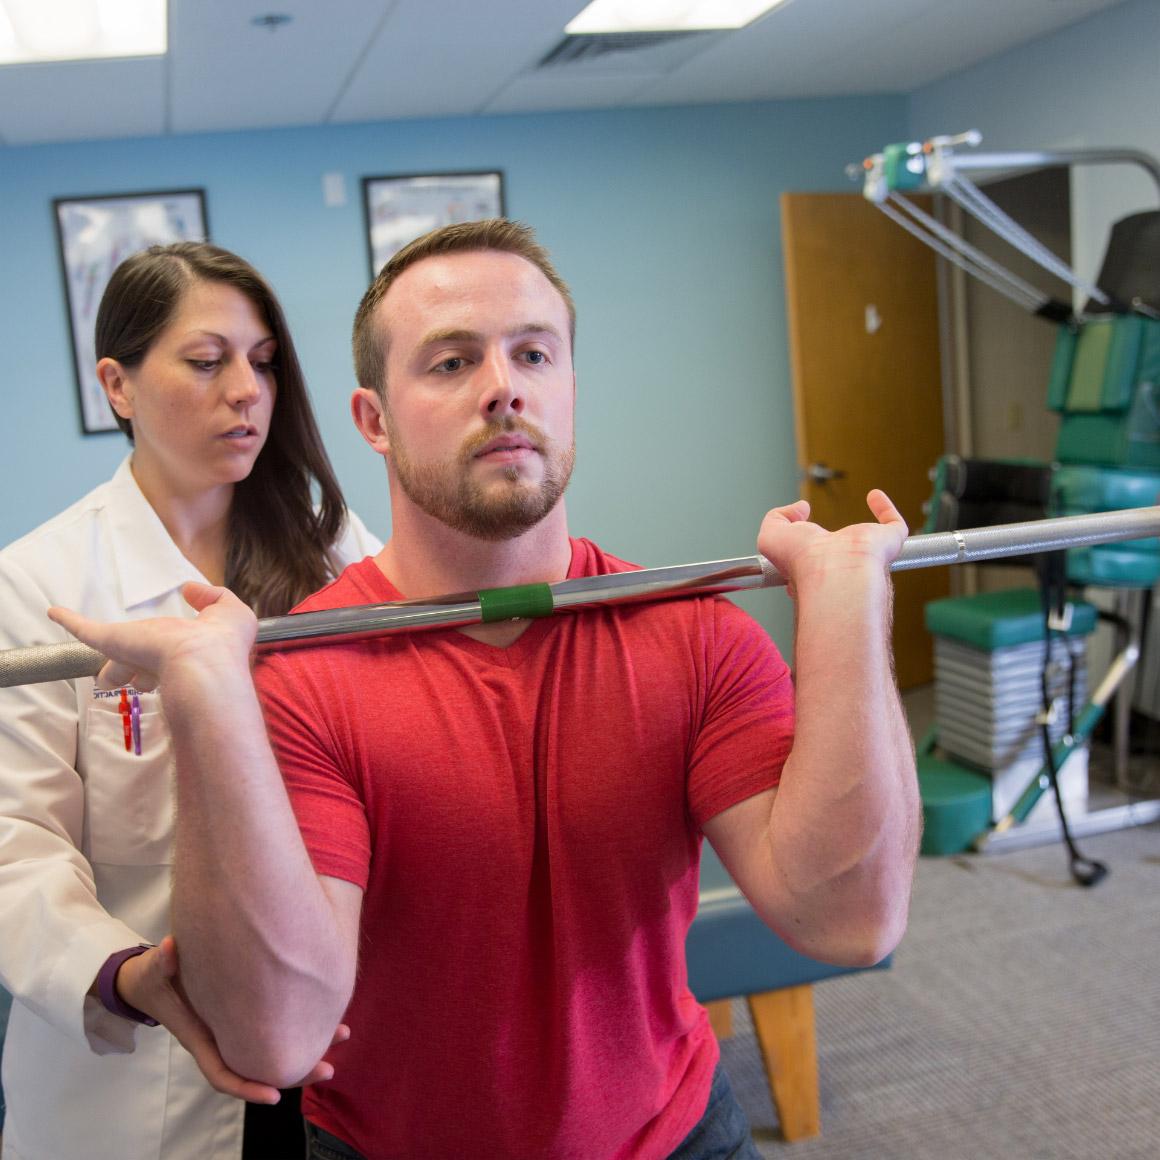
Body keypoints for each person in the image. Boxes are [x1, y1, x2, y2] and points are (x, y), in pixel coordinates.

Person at [51, 220, 921, 1159]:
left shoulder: (698, 635)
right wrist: (208, 701)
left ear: (571, 391)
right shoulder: (304, 679)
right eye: (452, 361)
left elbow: (851, 918)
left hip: (676, 1134)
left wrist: (845, 607)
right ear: (375, 421)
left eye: (533, 354)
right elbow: (278, 1038)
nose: (503, 386)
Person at [0, 241, 381, 1160]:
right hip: (142, 1060)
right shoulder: (40, 584)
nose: (246, 390)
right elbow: (15, 839)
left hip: (336, 1032)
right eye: (207, 362)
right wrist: (126, 975)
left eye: (262, 362)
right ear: (117, 386)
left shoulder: (341, 556)